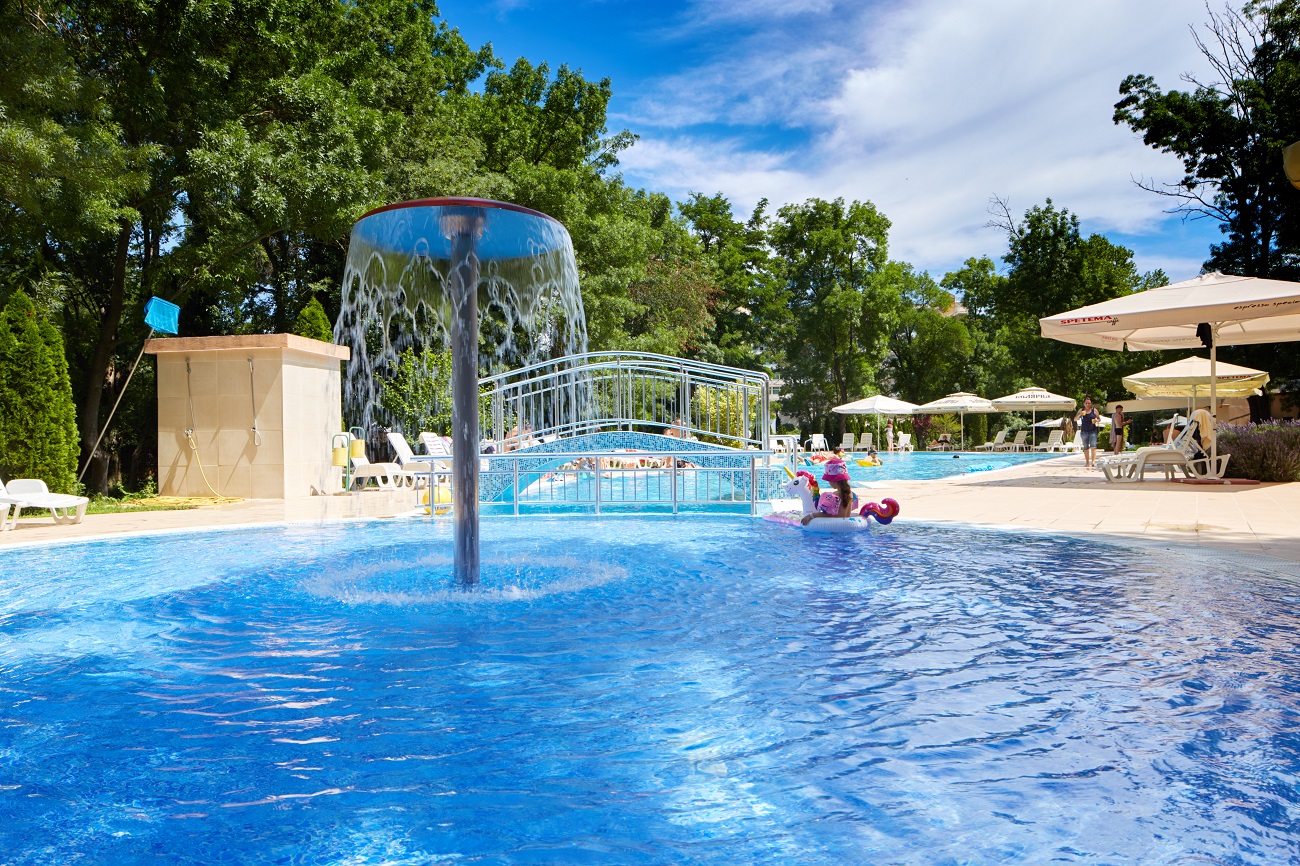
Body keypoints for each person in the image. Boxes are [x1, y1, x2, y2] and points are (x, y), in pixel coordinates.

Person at [801, 458, 856, 526]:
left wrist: (811, 515)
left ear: (833, 481)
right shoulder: (849, 493)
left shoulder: (835, 495)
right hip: (846, 526)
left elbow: (830, 515)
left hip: (835, 527)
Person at [1075, 396, 1101, 469]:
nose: (1087, 404)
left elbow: (1099, 419)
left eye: (1089, 403)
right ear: (1084, 403)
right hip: (1084, 431)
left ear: (1091, 403)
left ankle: (1093, 461)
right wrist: (1080, 414)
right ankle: (1087, 462)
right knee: (1086, 447)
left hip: (1093, 431)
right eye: (1086, 403)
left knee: (1093, 446)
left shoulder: (1094, 410)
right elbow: (1075, 419)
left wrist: (1096, 420)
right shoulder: (1081, 410)